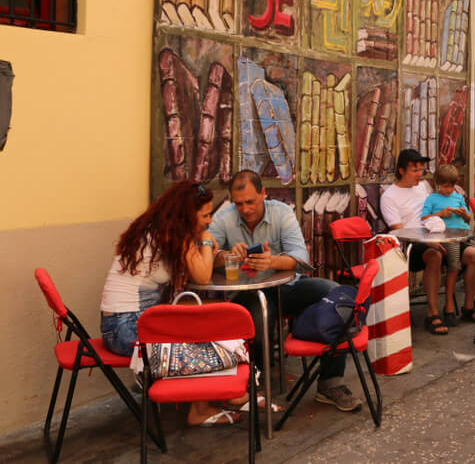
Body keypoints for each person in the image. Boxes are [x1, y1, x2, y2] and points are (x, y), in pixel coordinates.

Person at [207, 170, 362, 412]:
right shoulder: (224, 217)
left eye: (250, 202)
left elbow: (300, 258)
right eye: (239, 204)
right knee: (257, 321)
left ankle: (331, 383)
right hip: (248, 292)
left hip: (288, 286)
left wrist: (271, 262)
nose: (245, 209)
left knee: (335, 294)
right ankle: (254, 388)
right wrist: (226, 256)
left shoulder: (281, 212)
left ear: (263, 194)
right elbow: (208, 257)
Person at [100, 181, 235, 427]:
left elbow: (197, 269)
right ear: (186, 214)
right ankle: (212, 403)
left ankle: (213, 399)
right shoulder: (173, 233)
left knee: (204, 314)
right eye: (205, 216)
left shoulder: (160, 227)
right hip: (127, 330)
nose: (209, 222)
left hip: (120, 324)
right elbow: (203, 276)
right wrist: (205, 240)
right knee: (204, 329)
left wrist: (211, 252)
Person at [381, 149, 455, 335]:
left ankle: (466, 307)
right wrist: (428, 241)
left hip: (436, 235)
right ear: (401, 171)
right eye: (415, 170)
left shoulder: (423, 187)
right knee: (434, 255)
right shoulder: (389, 196)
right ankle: (433, 313)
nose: (420, 174)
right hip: (411, 245)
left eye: (421, 169)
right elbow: (398, 231)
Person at [420, 163, 475, 325]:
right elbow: (423, 219)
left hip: (463, 235)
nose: (448, 189)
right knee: (454, 264)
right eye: (445, 186)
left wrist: (464, 214)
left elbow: (469, 218)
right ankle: (449, 305)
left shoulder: (458, 197)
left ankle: (470, 305)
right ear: (438, 184)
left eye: (451, 186)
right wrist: (440, 214)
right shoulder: (432, 198)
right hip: (447, 237)